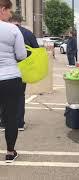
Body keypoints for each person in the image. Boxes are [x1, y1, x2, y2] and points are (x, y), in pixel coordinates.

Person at [0, 0, 27, 162]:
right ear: (3, 9)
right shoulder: (12, 29)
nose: (11, 15)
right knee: (11, 116)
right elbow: (22, 55)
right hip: (10, 77)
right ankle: (10, 152)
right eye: (10, 11)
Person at [9, 13, 39, 131]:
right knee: (19, 96)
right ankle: (19, 123)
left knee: (4, 95)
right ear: (20, 21)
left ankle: (3, 122)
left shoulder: (4, 31)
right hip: (23, 69)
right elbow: (36, 50)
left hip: (4, 69)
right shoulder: (28, 33)